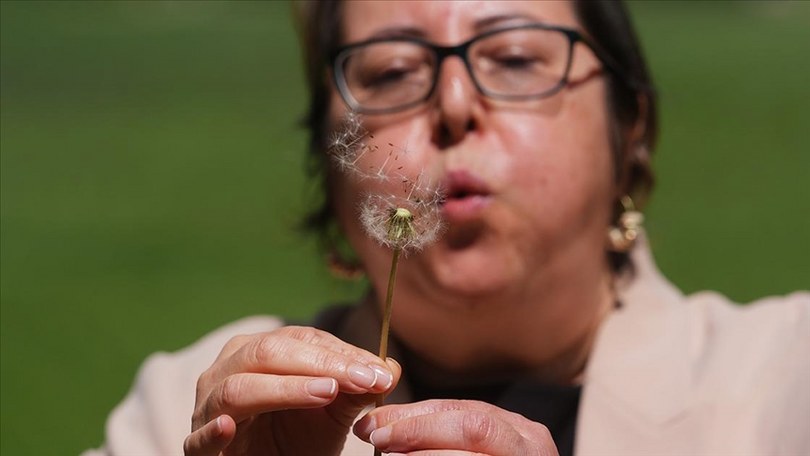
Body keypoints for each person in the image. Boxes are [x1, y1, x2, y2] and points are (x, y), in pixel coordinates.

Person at [85, 1, 809, 455]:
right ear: (329, 174)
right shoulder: (194, 411)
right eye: (393, 72)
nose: (454, 102)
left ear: (631, 131)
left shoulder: (786, 382)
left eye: (518, 58)